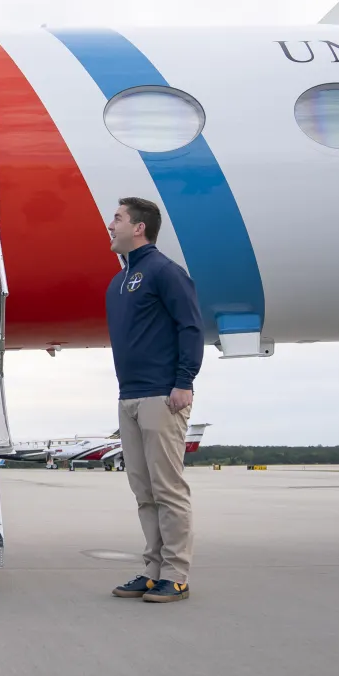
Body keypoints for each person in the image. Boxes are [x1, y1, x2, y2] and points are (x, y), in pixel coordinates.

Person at [106, 197, 204, 603]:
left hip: (163, 395)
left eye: (117, 218)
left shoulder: (165, 272)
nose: (110, 225)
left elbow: (191, 326)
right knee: (143, 490)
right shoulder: (118, 281)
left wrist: (184, 380)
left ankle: (176, 573)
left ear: (139, 227)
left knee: (168, 489)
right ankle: (153, 569)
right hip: (129, 397)